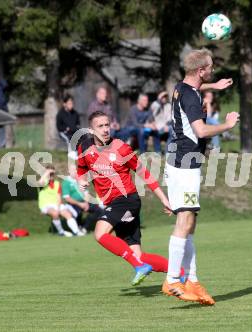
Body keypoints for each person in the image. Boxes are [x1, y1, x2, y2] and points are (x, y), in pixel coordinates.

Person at [163, 48, 239, 305]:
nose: (213, 69)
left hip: (182, 163)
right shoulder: (192, 98)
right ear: (201, 70)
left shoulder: (182, 88)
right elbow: (201, 130)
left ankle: (192, 281)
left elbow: (191, 92)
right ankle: (173, 280)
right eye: (210, 68)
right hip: (184, 166)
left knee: (190, 224)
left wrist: (214, 86)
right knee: (184, 222)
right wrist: (227, 125)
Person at [76, 111, 184, 286]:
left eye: (107, 125)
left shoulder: (121, 148)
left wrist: (163, 199)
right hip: (113, 203)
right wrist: (81, 181)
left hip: (126, 199)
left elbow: (145, 174)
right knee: (137, 254)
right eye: (100, 126)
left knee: (100, 233)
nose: (105, 130)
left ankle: (139, 267)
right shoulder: (84, 147)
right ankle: (179, 273)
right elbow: (81, 170)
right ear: (91, 130)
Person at [37, 164, 84, 237]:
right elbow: (40, 183)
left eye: (52, 174)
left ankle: (76, 232)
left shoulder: (57, 183)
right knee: (55, 213)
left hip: (56, 204)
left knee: (68, 214)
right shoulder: (44, 182)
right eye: (50, 174)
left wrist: (58, 208)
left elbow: (59, 197)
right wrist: (47, 172)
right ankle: (61, 232)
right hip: (45, 205)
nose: (51, 175)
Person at [61, 162, 103, 233]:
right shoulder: (66, 182)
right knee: (77, 212)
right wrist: (80, 204)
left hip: (84, 202)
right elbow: (67, 198)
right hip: (74, 204)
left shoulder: (80, 180)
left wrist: (86, 203)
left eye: (75, 170)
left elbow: (86, 193)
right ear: (68, 171)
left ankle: (85, 228)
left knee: (98, 210)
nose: (74, 171)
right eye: (72, 170)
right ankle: (78, 227)